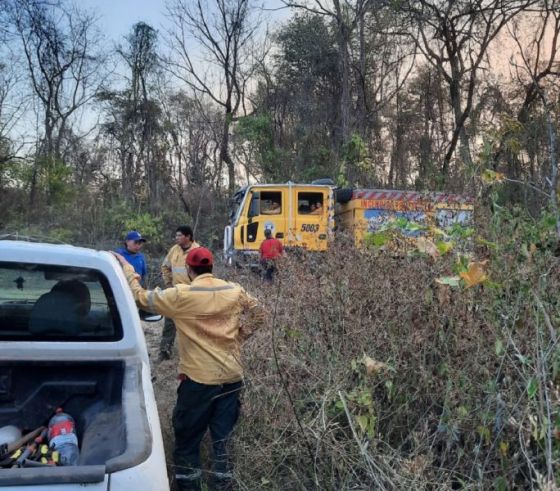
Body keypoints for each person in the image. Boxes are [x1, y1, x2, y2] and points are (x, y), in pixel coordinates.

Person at [111, 247, 265, 491]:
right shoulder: (234, 291)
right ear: (212, 267)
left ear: (191, 270)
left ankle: (189, 487)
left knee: (187, 441)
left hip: (199, 381)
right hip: (232, 378)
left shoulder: (182, 295)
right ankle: (223, 486)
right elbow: (259, 312)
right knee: (223, 440)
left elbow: (140, 297)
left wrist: (127, 269)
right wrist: (240, 336)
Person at [159, 225, 201, 361]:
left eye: (179, 235)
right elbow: (165, 266)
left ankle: (191, 354)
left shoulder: (198, 251)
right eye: (176, 235)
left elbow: (203, 274)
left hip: (191, 295)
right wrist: (168, 284)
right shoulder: (174, 250)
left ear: (188, 237)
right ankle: (165, 351)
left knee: (190, 325)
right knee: (169, 322)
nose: (176, 238)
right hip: (175, 293)